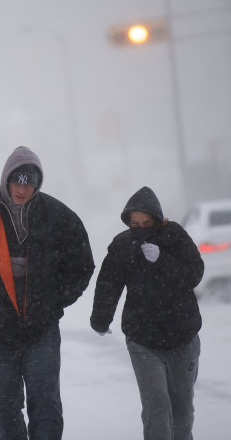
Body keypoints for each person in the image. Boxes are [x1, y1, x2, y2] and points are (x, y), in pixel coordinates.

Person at [0, 145, 95, 440]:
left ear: (37, 184)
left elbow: (82, 263)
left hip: (41, 330)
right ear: (6, 179)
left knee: (46, 408)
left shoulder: (57, 216)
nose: (23, 190)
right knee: (4, 409)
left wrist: (53, 302)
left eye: (30, 183)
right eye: (18, 181)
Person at [90, 186, 203, 440]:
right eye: (135, 223)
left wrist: (162, 259)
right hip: (143, 339)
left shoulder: (175, 237)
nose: (141, 228)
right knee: (157, 407)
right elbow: (109, 282)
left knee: (182, 410)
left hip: (182, 336)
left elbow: (194, 274)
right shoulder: (123, 245)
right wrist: (100, 319)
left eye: (146, 222)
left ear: (158, 220)